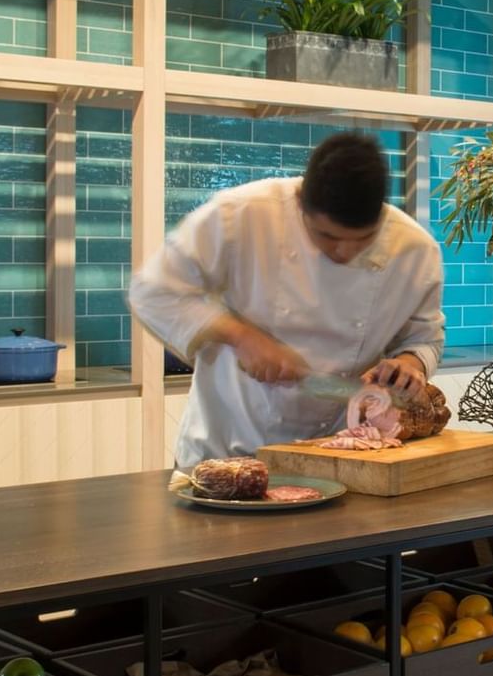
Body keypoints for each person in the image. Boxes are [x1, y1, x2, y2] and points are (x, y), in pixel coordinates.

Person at [129, 133, 445, 467]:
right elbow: (152, 291)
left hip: (338, 454)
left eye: (363, 241)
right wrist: (239, 334)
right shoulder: (239, 215)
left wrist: (411, 364)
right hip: (228, 450)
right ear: (299, 204)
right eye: (327, 237)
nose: (344, 252)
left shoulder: (415, 250)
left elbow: (425, 339)